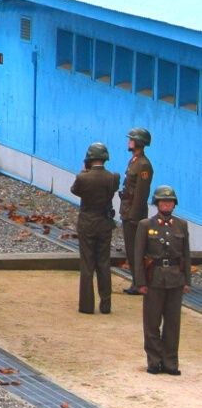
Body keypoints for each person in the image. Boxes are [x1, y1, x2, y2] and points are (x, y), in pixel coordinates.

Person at [132, 186, 190, 375]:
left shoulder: (181, 225)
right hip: (154, 278)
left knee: (173, 323)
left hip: (175, 278)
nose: (166, 204)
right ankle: (154, 360)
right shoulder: (146, 225)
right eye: (163, 202)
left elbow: (186, 255)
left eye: (170, 202)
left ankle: (170, 362)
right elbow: (138, 255)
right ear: (157, 204)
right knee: (152, 322)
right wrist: (140, 282)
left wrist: (187, 280)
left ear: (174, 204)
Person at [71, 143, 119, 314]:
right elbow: (113, 189)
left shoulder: (83, 178)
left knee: (87, 265)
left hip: (87, 223)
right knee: (103, 264)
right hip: (104, 223)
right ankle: (106, 304)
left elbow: (75, 190)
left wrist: (84, 171)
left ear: (89, 159)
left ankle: (86, 305)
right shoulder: (112, 177)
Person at [120, 127, 153, 296]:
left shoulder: (143, 165)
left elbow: (141, 194)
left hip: (134, 214)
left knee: (136, 250)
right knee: (130, 249)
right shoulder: (134, 161)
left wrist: (133, 215)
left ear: (138, 142)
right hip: (127, 211)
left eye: (131, 139)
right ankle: (136, 281)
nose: (129, 141)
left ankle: (139, 283)